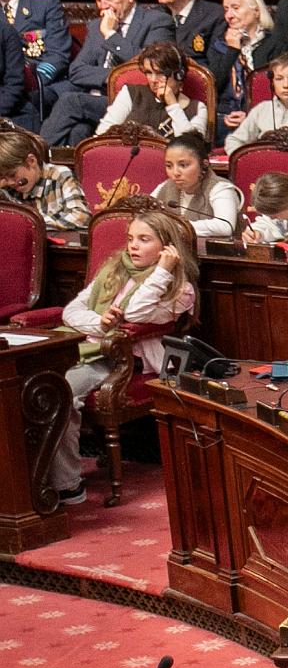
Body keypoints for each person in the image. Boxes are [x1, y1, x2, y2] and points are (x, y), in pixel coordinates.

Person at [44, 207, 193, 497]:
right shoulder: (113, 270)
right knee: (28, 385)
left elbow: (136, 313)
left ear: (168, 247)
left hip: (121, 358)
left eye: (144, 239)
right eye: (130, 238)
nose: (133, 245)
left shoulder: (180, 289)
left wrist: (162, 271)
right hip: (85, 346)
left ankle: (66, 486)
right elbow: (72, 311)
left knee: (61, 392)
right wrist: (99, 323)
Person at [37, 0, 164, 146]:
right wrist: (113, 77)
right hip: (97, 100)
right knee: (78, 131)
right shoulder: (96, 25)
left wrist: (111, 35)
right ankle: (65, 171)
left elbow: (149, 67)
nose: (103, 5)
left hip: (137, 101)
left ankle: (36, 155)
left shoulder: (156, 21)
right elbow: (77, 70)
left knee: (70, 101)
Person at [0, 0, 72, 133]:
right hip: (7, 81)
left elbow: (58, 54)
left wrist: (35, 78)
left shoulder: (44, 3)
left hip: (41, 81)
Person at [100, 42, 208, 140]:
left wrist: (173, 105)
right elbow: (102, 137)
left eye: (160, 73)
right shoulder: (131, 93)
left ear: (179, 75)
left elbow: (191, 148)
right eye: (148, 72)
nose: (153, 80)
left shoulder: (197, 108)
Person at [212, 0, 282, 133]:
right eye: (226, 9)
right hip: (224, 118)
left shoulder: (275, 43)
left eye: (235, 8)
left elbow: (278, 87)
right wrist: (232, 50)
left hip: (265, 117)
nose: (229, 15)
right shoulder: (219, 43)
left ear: (256, 11)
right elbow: (213, 87)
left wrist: (251, 115)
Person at [145, 132, 239, 240]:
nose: (175, 172)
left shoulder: (220, 188)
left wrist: (173, 226)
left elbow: (226, 226)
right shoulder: (165, 186)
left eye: (183, 165)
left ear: (204, 164)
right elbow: (144, 215)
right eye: (169, 166)